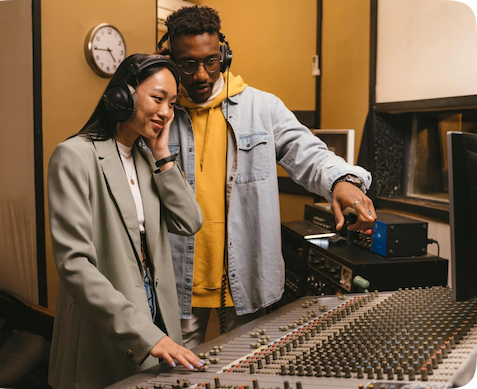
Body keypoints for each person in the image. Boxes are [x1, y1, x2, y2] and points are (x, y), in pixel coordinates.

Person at [157, 5, 378, 349]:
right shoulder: (157, 113)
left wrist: (342, 181)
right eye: (187, 64)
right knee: (173, 377)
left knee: (246, 370)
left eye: (211, 61)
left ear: (224, 56)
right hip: (177, 280)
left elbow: (309, 153)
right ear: (170, 60)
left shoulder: (263, 108)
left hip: (247, 275)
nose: (201, 75)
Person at [47, 54, 204, 389]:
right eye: (158, 98)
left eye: (172, 103)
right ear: (123, 96)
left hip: (158, 310)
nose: (166, 112)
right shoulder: (74, 156)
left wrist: (163, 156)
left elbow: (189, 221)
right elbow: (74, 264)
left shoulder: (149, 160)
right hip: (109, 322)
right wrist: (144, 333)